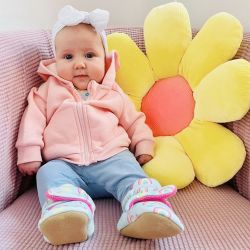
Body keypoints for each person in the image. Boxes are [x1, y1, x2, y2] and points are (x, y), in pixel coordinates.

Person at [15, 5, 184, 245]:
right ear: (55, 61)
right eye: (68, 57)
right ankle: (68, 212)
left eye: (89, 55)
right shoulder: (47, 91)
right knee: (47, 174)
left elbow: (133, 119)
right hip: (65, 164)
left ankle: (145, 208)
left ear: (104, 60)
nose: (80, 64)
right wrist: (29, 152)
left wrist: (143, 143)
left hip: (112, 159)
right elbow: (32, 121)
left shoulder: (112, 92)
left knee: (132, 174)